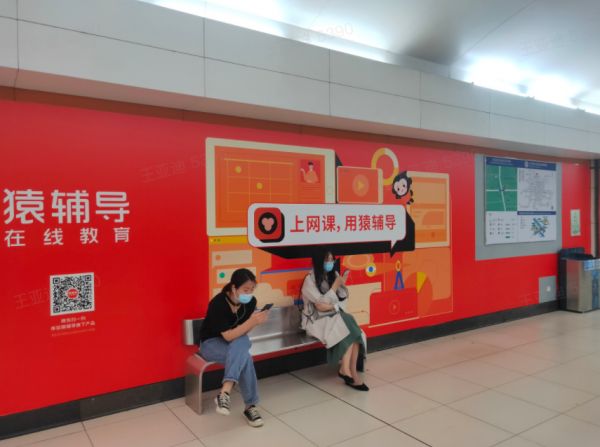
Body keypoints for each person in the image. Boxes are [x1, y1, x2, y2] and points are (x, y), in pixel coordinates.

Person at [199, 268, 269, 427]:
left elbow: (243, 331)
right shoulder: (218, 303)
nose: (249, 293)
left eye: (252, 289)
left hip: (235, 343)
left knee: (242, 347)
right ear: (233, 287)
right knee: (245, 357)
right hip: (211, 343)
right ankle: (250, 407)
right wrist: (252, 322)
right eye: (245, 289)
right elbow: (228, 336)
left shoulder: (250, 302)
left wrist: (255, 322)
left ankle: (225, 392)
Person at [300, 250, 368, 391]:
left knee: (351, 327)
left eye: (332, 260)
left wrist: (341, 286)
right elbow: (320, 305)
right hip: (316, 321)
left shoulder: (334, 275)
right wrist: (335, 288)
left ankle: (349, 370)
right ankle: (348, 372)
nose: (330, 263)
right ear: (319, 261)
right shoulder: (309, 280)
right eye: (327, 260)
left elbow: (342, 300)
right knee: (350, 325)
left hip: (333, 315)